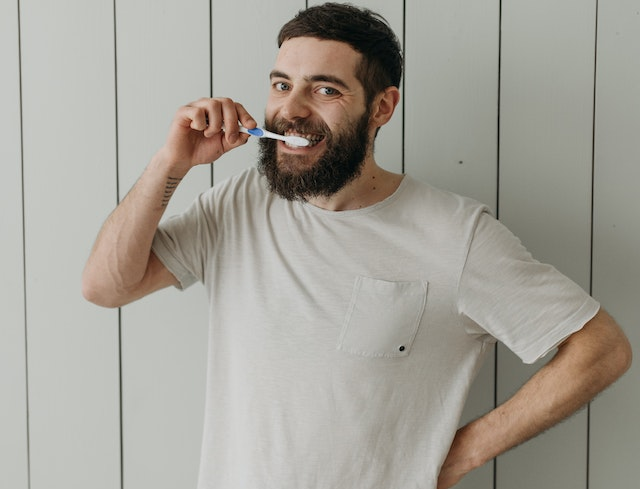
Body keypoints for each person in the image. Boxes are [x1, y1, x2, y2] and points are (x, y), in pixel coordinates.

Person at [82, 3, 632, 488]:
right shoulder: (241, 201)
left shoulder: (456, 236)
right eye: (281, 84)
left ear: (382, 108)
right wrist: (170, 164)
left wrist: (462, 452)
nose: (291, 108)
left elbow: (600, 348)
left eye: (325, 89)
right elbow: (107, 286)